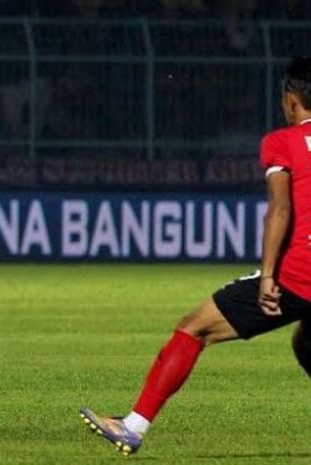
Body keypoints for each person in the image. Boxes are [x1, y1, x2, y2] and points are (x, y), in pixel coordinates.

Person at [80, 56, 311, 455]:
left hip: (300, 274)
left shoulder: (282, 142)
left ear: (291, 100)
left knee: (194, 327)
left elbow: (280, 209)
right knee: (306, 345)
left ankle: (132, 426)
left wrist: (269, 275)